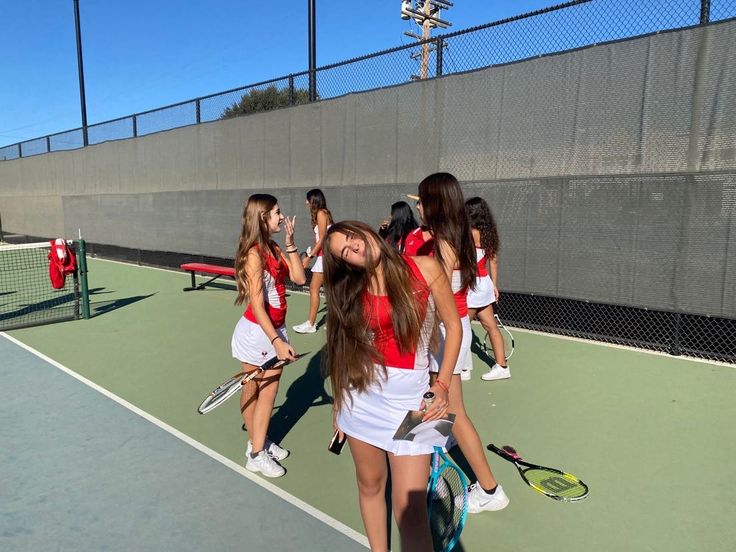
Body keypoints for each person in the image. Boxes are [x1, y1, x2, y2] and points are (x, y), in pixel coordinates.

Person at [323, 220, 461, 552]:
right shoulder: (350, 290)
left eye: (353, 237)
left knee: (410, 510)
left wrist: (441, 387)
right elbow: (345, 349)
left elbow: (454, 329)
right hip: (361, 401)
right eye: (345, 251)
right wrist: (339, 405)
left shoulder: (426, 267)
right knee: (369, 485)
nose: (354, 247)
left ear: (367, 232)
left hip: (414, 402)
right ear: (346, 264)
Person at [417, 172, 510, 513]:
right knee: (444, 407)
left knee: (451, 409)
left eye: (423, 200)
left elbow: (434, 296)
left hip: (445, 331)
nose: (420, 207)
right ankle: (434, 460)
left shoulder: (445, 243)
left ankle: (489, 490)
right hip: (447, 329)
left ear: (434, 203)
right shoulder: (454, 235)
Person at [232, 193, 307, 478]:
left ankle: (259, 441)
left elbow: (300, 278)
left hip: (274, 329)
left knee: (268, 391)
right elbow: (257, 304)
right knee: (259, 390)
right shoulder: (254, 254)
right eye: (276, 212)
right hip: (259, 333)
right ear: (262, 218)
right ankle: (255, 453)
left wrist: (290, 245)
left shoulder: (274, 248)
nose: (281, 216)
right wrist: (277, 341)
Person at [465, 196, 509, 381]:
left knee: (460, 326)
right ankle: (502, 366)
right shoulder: (489, 233)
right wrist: (494, 285)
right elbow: (494, 261)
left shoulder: (468, 234)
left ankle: (463, 368)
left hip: (473, 285)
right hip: (484, 285)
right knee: (490, 326)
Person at [293, 189, 333, 334]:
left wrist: (309, 258)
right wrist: (311, 254)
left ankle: (311, 323)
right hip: (325, 257)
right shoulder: (322, 214)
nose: (306, 203)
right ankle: (337, 323)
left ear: (313, 200)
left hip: (327, 258)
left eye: (307, 200)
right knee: (331, 291)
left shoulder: (322, 213)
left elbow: (323, 239)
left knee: (314, 288)